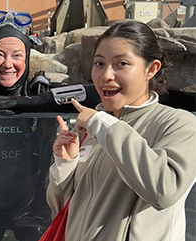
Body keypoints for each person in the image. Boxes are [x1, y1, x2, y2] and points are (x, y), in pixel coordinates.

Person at [47, 20, 196, 240]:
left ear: (151, 70)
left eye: (121, 64)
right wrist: (65, 164)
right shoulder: (96, 127)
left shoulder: (179, 124)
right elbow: (60, 209)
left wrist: (101, 124)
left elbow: (163, 190)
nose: (106, 75)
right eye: (99, 63)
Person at [0, 9, 101, 115]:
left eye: (17, 56)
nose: (8, 64)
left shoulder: (40, 90)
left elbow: (99, 94)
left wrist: (35, 102)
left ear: (26, 59)